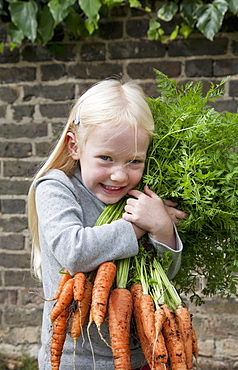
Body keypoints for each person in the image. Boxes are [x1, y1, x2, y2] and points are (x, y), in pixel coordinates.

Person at [28, 78, 187, 370]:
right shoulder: (56, 187)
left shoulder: (143, 197)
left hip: (142, 355)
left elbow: (167, 271)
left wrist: (163, 228)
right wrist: (140, 226)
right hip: (72, 359)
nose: (119, 176)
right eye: (105, 158)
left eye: (134, 161)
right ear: (74, 146)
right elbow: (73, 251)